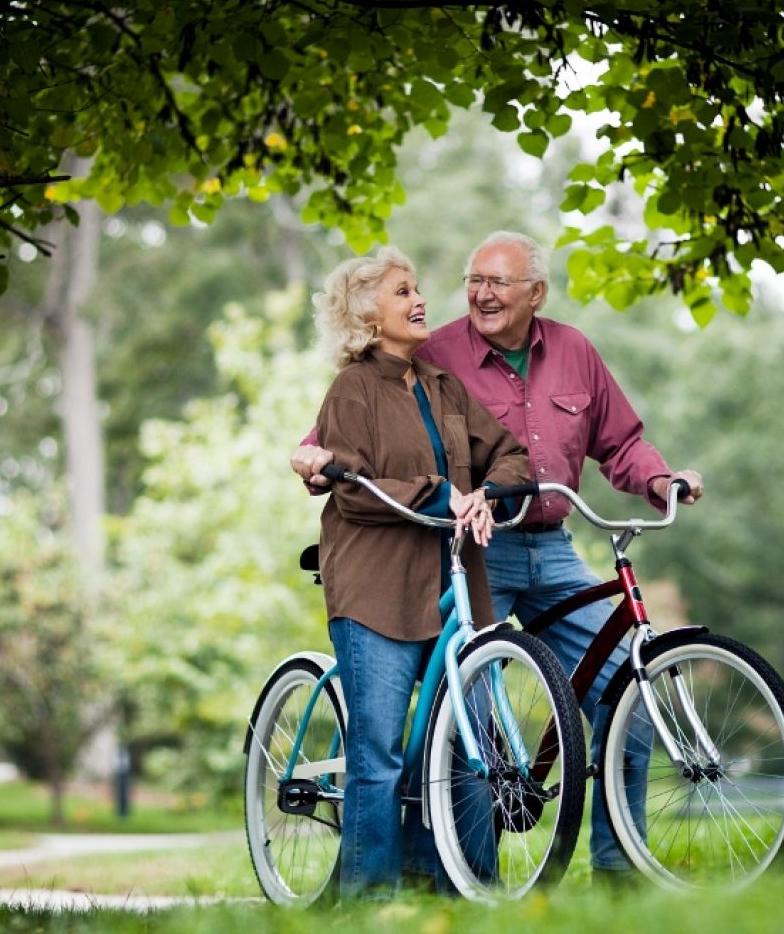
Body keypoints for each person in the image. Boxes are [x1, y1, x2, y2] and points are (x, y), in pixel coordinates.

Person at [294, 231, 704, 885]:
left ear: (535, 293)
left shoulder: (572, 352)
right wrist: (314, 454)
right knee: (467, 718)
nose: (478, 294)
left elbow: (621, 442)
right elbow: (360, 413)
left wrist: (660, 481)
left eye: (498, 283)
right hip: (475, 548)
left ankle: (620, 870)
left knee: (625, 687)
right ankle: (462, 880)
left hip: (549, 546)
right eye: (472, 279)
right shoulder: (436, 351)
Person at [310, 246, 529, 900]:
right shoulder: (351, 389)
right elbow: (349, 486)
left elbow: (509, 454)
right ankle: (368, 900)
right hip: (375, 587)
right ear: (367, 315)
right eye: (403, 292)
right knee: (376, 760)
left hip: (455, 582)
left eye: (416, 288)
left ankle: (466, 888)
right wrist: (443, 494)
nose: (419, 300)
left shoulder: (442, 385)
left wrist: (489, 494)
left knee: (470, 745)